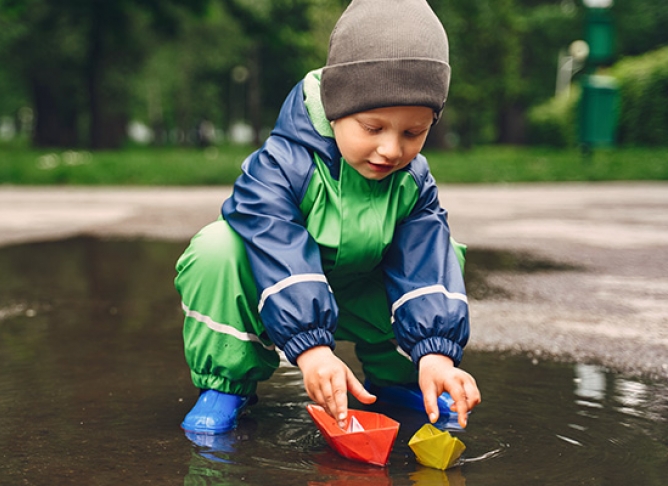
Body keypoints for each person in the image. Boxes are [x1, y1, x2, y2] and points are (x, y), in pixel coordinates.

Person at [175, 0, 481, 436]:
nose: (392, 150)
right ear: (336, 106)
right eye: (373, 128)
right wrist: (312, 349)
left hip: (359, 296)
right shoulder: (280, 165)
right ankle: (228, 384)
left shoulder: (412, 180)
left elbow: (425, 267)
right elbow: (277, 246)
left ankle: (398, 378)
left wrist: (436, 354)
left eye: (413, 132)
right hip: (279, 295)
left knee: (443, 249)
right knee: (216, 248)